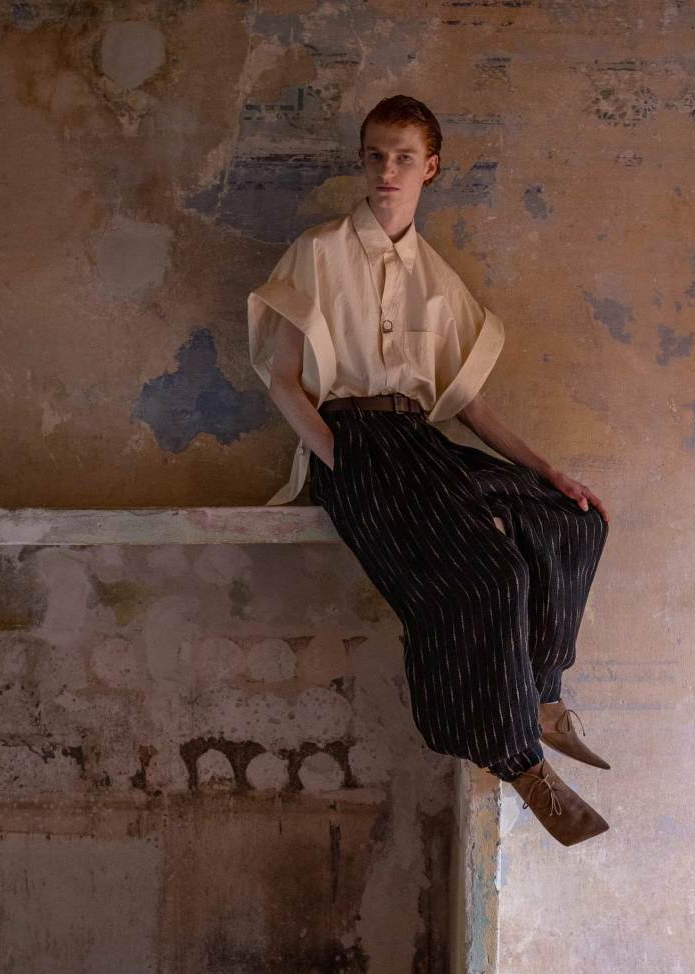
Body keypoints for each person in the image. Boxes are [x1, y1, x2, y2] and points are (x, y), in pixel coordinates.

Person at [247, 95, 611, 847]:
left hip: (419, 443)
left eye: (404, 157)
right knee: (491, 577)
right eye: (376, 155)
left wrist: (551, 471)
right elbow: (283, 380)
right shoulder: (317, 254)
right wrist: (341, 460)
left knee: (574, 521)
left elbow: (467, 405)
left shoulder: (436, 277)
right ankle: (521, 763)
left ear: (431, 168)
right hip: (353, 443)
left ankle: (541, 694)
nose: (388, 170)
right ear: (363, 161)